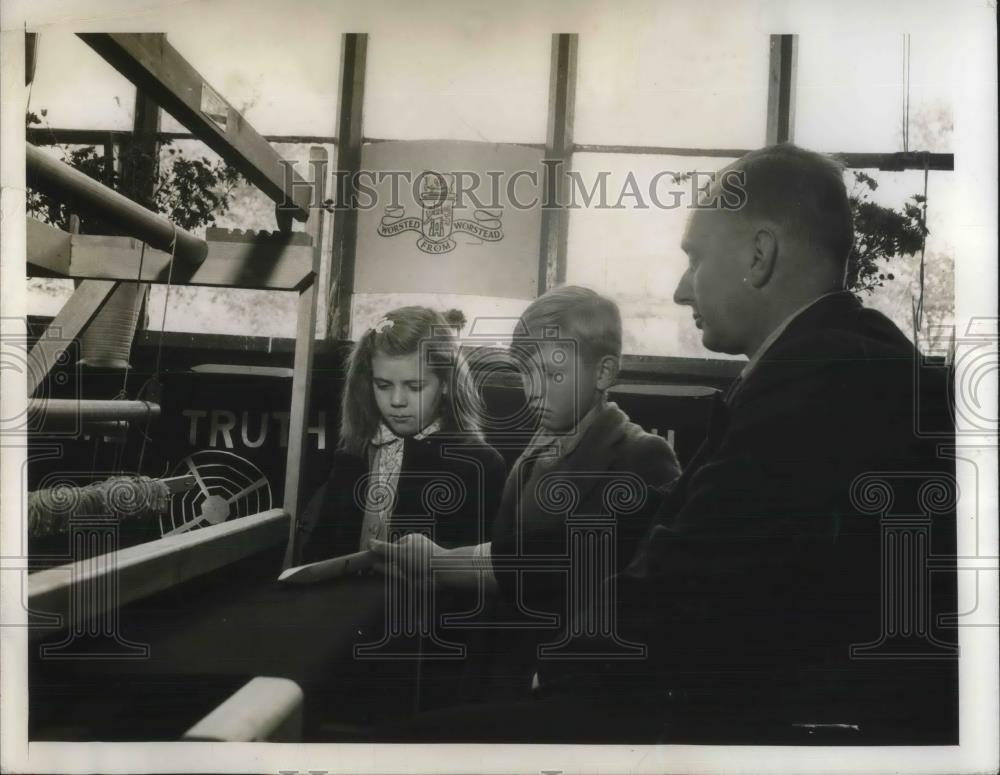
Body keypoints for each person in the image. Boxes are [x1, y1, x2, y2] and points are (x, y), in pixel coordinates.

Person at [382, 144, 957, 744]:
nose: (683, 291)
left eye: (696, 259)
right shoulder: (843, 358)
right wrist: (455, 566)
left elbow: (681, 592)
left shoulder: (818, 386)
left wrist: (555, 669)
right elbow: (643, 540)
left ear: (759, 255)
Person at [371, 286, 682, 697]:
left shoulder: (642, 456)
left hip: (567, 681)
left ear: (603, 373)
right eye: (525, 372)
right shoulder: (536, 448)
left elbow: (561, 561)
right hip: (501, 665)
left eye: (553, 375)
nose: (534, 392)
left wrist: (442, 563)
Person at [294, 305, 506, 565]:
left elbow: (480, 574)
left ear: (446, 384)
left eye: (414, 386)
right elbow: (320, 549)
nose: (396, 401)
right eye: (382, 385)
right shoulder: (354, 450)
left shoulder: (481, 464)